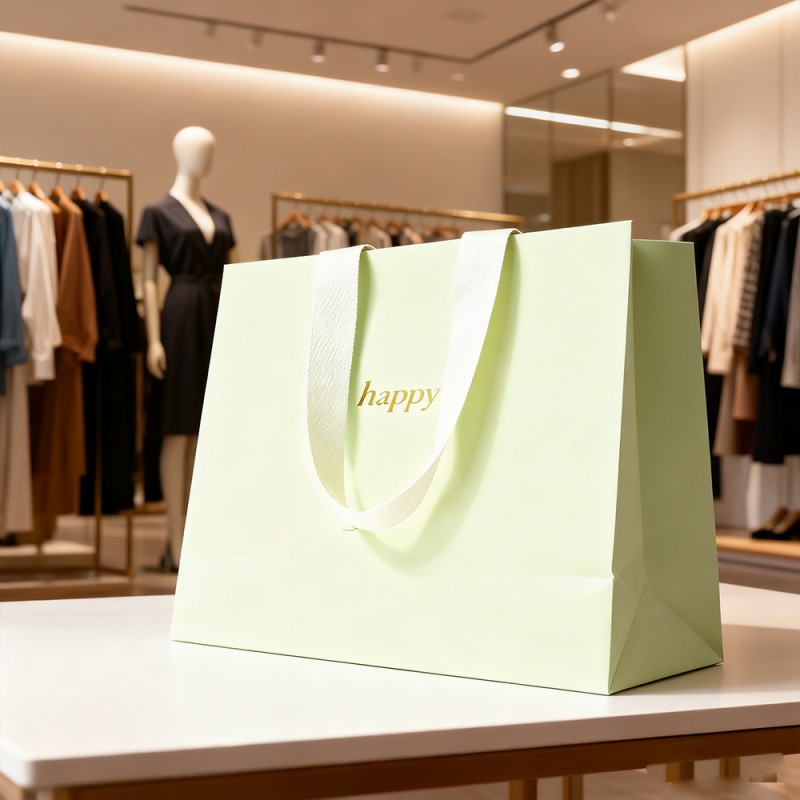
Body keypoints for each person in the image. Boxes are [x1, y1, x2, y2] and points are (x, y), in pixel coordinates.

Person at [137, 126, 237, 571]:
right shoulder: (157, 212)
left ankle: (195, 536)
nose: (205, 157)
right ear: (179, 152)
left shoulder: (221, 216)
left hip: (215, 317)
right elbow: (147, 279)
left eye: (209, 151)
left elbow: (236, 275)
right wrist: (153, 340)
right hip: (177, 317)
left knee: (205, 430)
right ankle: (175, 540)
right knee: (178, 428)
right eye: (199, 150)